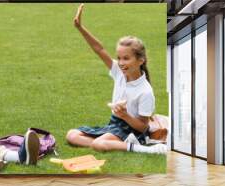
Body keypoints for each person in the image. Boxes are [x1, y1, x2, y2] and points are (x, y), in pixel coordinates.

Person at [65, 4, 167, 154]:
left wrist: (124, 115)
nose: (121, 63)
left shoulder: (145, 91)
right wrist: (80, 28)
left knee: (99, 144)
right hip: (115, 124)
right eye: (119, 58)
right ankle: (106, 143)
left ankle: (146, 149)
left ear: (141, 60)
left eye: (126, 58)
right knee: (72, 135)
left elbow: (143, 127)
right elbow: (99, 49)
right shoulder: (119, 72)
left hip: (132, 130)